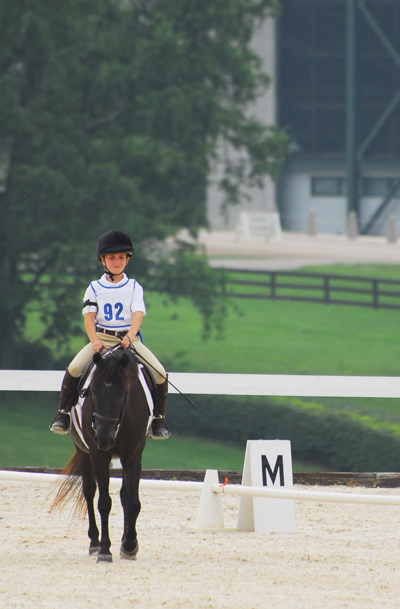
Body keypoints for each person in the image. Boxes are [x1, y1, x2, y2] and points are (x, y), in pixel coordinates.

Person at [49, 230, 170, 439]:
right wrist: (94, 340)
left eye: (121, 258)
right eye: (112, 258)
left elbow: (138, 314)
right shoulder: (94, 288)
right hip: (102, 339)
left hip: (128, 340)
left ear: (127, 260)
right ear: (103, 260)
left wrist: (131, 335)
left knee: (159, 372)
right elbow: (89, 318)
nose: (117, 262)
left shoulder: (134, 287)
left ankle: (159, 418)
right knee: (75, 367)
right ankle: (63, 414)